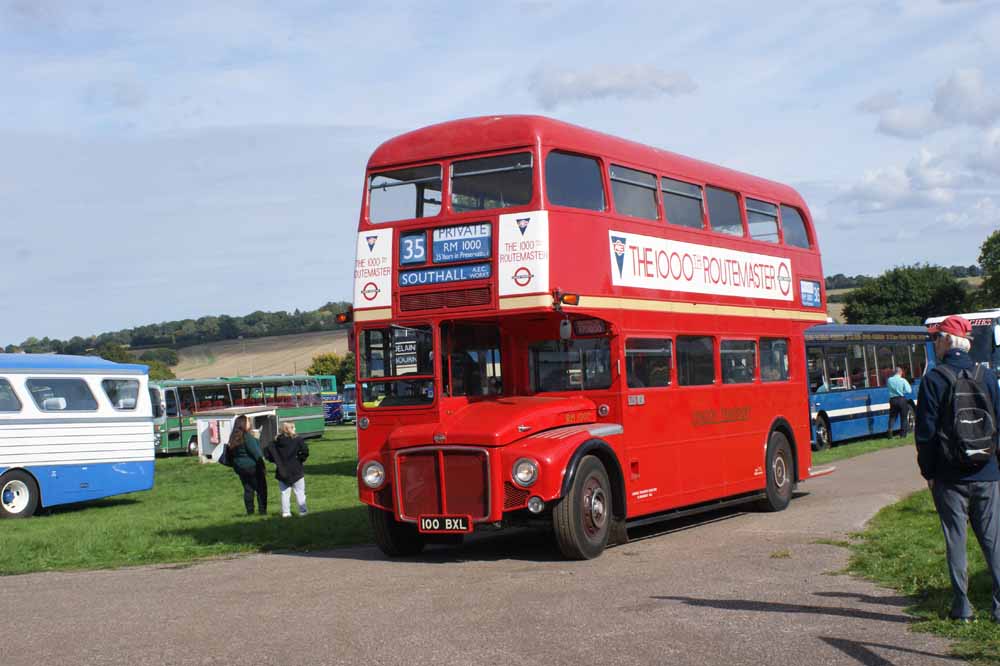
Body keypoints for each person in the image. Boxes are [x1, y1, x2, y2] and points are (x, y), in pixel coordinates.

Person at [915, 315, 1000, 622]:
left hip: (949, 476)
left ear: (947, 341)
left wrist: (929, 473)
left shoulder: (934, 379)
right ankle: (999, 607)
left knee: (956, 539)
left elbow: (925, 434)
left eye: (937, 338)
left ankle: (962, 608)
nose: (935, 343)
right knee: (993, 540)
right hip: (987, 472)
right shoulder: (987, 376)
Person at [266, 421, 309, 518]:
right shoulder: (297, 440)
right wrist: (301, 459)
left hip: (282, 470)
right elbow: (305, 451)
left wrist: (276, 461)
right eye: (293, 427)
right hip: (296, 469)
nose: (295, 429)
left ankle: (286, 513)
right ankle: (303, 511)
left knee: (285, 493)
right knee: (300, 492)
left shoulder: (275, 442)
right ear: (290, 429)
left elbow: (268, 453)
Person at [228, 415, 267, 515]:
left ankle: (250, 511)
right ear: (244, 424)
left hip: (240, 468)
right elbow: (257, 453)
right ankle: (262, 511)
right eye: (248, 422)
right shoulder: (247, 437)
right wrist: (257, 439)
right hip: (252, 467)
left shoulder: (234, 436)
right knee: (261, 489)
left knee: (248, 489)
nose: (250, 423)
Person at [886, 366, 913, 438]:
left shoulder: (889, 380)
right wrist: (902, 391)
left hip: (892, 400)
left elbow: (889, 388)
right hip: (901, 399)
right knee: (903, 417)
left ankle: (890, 432)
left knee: (892, 417)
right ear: (900, 372)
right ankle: (903, 435)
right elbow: (909, 391)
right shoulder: (903, 380)